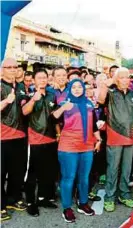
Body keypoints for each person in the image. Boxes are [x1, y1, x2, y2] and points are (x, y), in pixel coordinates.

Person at [52, 79, 102, 223]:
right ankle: (67, 208)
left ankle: (83, 203)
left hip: (86, 145)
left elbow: (93, 126)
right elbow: (54, 117)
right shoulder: (64, 103)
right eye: (73, 87)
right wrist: (63, 108)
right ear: (69, 88)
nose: (77, 89)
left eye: (80, 86)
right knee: (69, 177)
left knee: (84, 177)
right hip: (68, 146)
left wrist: (99, 140)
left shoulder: (88, 104)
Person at [98, 67, 133, 212]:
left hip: (130, 136)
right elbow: (100, 99)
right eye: (121, 77)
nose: (124, 80)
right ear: (116, 79)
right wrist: (106, 83)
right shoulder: (110, 93)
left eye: (127, 77)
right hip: (114, 136)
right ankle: (110, 197)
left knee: (126, 168)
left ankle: (124, 194)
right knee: (113, 168)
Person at [22, 69, 59, 217]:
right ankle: (31, 202)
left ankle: (43, 198)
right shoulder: (28, 95)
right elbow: (24, 112)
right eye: (39, 78)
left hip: (50, 139)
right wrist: (33, 99)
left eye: (45, 77)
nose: (43, 80)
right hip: (34, 140)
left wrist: (58, 133)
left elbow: (54, 116)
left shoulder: (52, 95)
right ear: (34, 80)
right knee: (32, 173)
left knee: (47, 172)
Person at [1, 58, 28, 221]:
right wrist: (5, 101)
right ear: (2, 69)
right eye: (8, 67)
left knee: (17, 171)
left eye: (15, 67)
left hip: (20, 136)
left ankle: (13, 198)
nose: (12, 70)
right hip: (2, 137)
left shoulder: (20, 86)